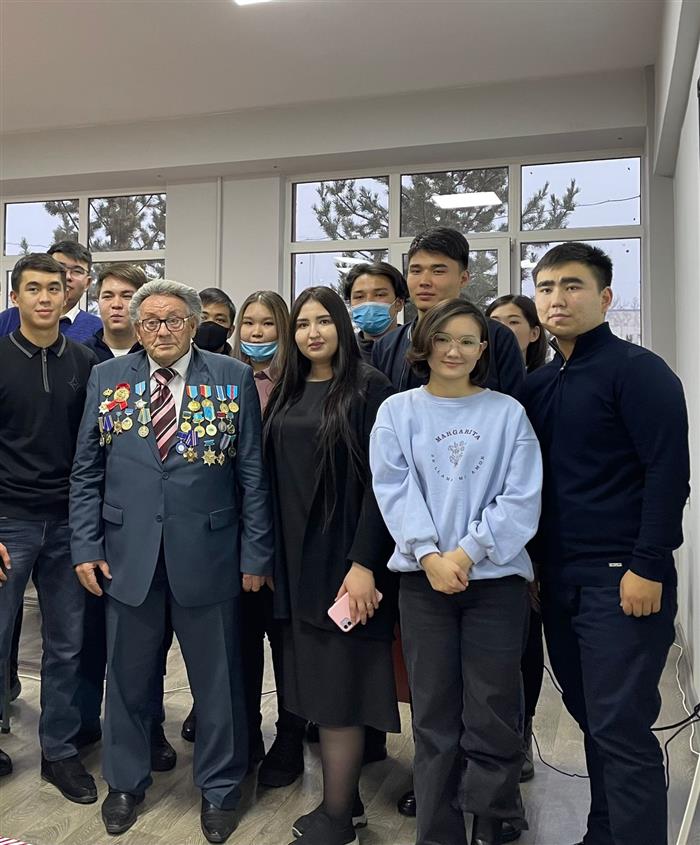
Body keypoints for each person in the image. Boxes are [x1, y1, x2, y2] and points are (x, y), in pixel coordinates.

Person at [70, 279, 274, 842]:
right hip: (126, 556)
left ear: (193, 324)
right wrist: (85, 545)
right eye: (152, 322)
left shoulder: (230, 376)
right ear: (138, 329)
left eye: (174, 320)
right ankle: (125, 783)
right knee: (127, 678)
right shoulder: (107, 377)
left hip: (210, 553)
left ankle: (220, 788)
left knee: (218, 682)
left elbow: (252, 473)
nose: (163, 330)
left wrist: (256, 553)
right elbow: (86, 471)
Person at [524, 242, 690, 845]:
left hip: (623, 578)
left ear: (605, 297)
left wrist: (649, 564)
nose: (557, 298)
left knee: (621, 726)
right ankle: (604, 831)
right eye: (546, 287)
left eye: (572, 286)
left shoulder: (638, 371)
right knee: (593, 718)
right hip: (558, 580)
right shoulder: (538, 385)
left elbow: (668, 474)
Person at [370, 298, 542, 845]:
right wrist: (429, 556)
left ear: (482, 349)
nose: (454, 350)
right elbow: (394, 490)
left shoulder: (507, 413)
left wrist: (465, 555)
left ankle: (493, 821)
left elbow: (521, 498)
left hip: (496, 585)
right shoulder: (397, 412)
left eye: (467, 341)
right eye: (443, 339)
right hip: (424, 585)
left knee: (493, 708)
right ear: (424, 345)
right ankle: (438, 832)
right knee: (434, 715)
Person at [263, 286, 399, 845]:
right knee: (316, 686)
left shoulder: (369, 388)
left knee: (340, 689)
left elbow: (385, 486)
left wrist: (364, 563)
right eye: (302, 323)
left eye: (323, 321)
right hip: (294, 562)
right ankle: (349, 801)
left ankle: (338, 817)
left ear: (342, 326)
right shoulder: (289, 388)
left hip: (344, 563)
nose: (312, 332)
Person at [0, 253, 98, 800]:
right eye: (33, 288)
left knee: (66, 646)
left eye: (53, 288)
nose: (44, 297)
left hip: (67, 525)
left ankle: (58, 752)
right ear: (15, 296)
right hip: (7, 523)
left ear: (67, 296)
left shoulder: (85, 362)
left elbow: (93, 450)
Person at [485, 294, 548, 781]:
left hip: (532, 530)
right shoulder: (482, 392)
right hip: (476, 543)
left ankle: (519, 735)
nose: (503, 331)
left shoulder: (539, 388)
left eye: (513, 322)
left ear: (533, 332)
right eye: (495, 324)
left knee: (524, 642)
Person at [0, 240, 101, 341]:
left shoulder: (99, 330)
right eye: (60, 267)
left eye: (77, 271)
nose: (67, 276)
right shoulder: (6, 320)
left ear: (87, 283)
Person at [342, 261, 408, 362]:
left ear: (399, 303)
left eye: (380, 295)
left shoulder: (416, 350)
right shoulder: (343, 354)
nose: (369, 303)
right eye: (359, 297)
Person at [84, 263, 146, 362]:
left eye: (127, 296)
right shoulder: (82, 355)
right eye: (108, 296)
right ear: (98, 301)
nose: (116, 304)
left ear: (142, 302)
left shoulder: (154, 353)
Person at [194, 287, 236, 354]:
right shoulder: (177, 359)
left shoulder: (238, 360)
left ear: (230, 331)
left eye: (219, 320)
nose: (210, 324)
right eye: (203, 318)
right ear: (191, 325)